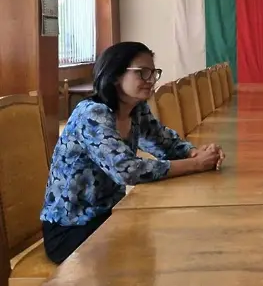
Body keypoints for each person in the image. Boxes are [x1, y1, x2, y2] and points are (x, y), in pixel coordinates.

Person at [40, 41, 225, 264]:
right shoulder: (92, 114)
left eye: (153, 73)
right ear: (115, 75)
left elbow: (165, 143)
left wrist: (196, 153)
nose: (151, 80)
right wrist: (196, 164)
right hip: (72, 228)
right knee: (166, 246)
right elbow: (127, 170)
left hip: (111, 213)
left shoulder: (136, 108)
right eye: (142, 73)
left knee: (182, 234)